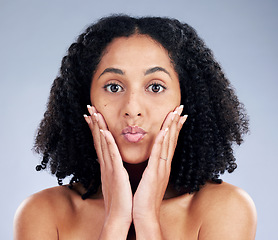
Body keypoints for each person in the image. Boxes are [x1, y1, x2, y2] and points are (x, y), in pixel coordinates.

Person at [14, 15, 257, 239]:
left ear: (187, 99)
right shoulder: (42, 213)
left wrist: (146, 218)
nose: (132, 108)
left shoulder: (226, 208)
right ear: (84, 99)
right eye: (113, 87)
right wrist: (116, 220)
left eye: (155, 87)